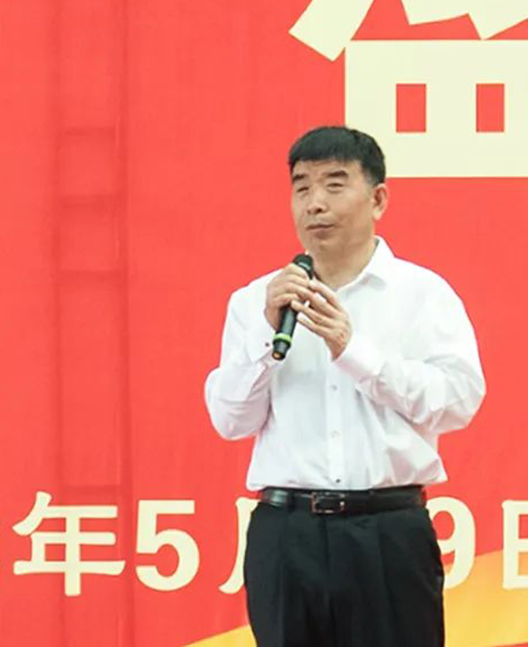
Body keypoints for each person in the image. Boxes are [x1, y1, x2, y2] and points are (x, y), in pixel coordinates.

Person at [203, 126, 486, 647]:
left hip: (386, 533)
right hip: (286, 534)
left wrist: (353, 350)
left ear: (378, 199)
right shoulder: (255, 302)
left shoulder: (422, 294)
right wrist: (266, 333)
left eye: (335, 185)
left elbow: (458, 401)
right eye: (302, 187)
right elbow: (230, 420)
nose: (315, 203)